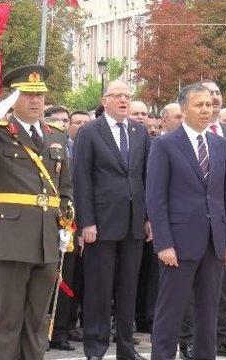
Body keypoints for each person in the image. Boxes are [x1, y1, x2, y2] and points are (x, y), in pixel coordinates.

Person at [0, 65, 74, 359]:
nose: (36, 102)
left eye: (40, 96)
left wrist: (66, 226)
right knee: (7, 320)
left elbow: (66, 188)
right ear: (13, 99)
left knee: (36, 321)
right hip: (10, 239)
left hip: (47, 240)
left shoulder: (55, 135)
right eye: (27, 95)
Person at [147, 82, 226, 360]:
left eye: (210, 105)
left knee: (208, 312)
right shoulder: (164, 145)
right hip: (178, 244)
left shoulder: (220, 145)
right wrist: (163, 243)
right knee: (170, 312)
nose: (206, 110)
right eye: (199, 105)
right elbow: (156, 198)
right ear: (183, 109)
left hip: (214, 243)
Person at [72, 79, 151, 360]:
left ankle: (127, 348)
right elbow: (82, 180)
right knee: (99, 289)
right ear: (104, 100)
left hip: (134, 223)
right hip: (101, 223)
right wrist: (86, 222)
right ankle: (95, 348)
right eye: (117, 96)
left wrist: (148, 217)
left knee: (129, 287)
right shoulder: (90, 132)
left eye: (127, 96)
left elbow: (145, 177)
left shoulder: (140, 132)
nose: (123, 100)